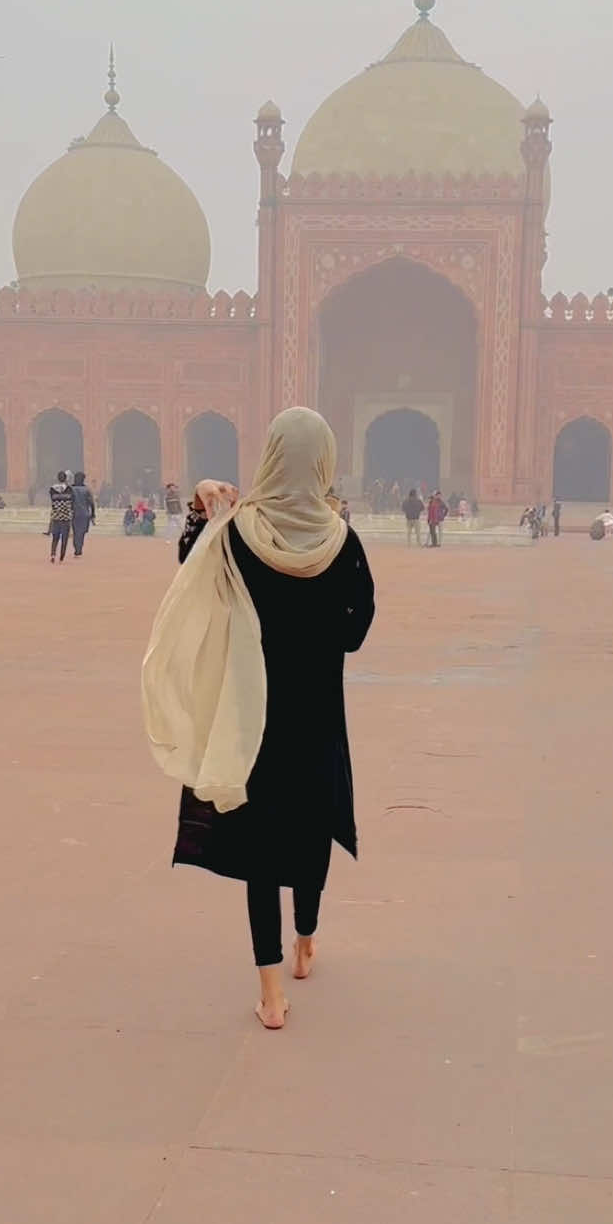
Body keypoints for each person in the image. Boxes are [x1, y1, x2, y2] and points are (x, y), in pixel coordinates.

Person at [143, 407, 375, 1032]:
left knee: (262, 848)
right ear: (324, 460)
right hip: (318, 713)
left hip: (252, 715)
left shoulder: (239, 533)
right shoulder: (342, 539)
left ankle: (270, 993)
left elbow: (193, 570)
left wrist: (201, 507)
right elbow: (356, 631)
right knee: (311, 825)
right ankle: (305, 942)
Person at [48, 470, 73, 562]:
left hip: (56, 515)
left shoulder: (52, 489)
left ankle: (53, 554)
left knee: (55, 537)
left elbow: (52, 499)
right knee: (64, 538)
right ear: (66, 478)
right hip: (66, 516)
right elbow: (71, 501)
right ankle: (62, 556)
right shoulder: (69, 489)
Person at [71, 470, 96, 556]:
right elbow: (91, 503)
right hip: (85, 514)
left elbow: (69, 502)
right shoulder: (86, 490)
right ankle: (79, 547)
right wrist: (93, 514)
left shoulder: (71, 489)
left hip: (74, 514)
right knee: (81, 532)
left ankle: (77, 547)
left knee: (76, 531)